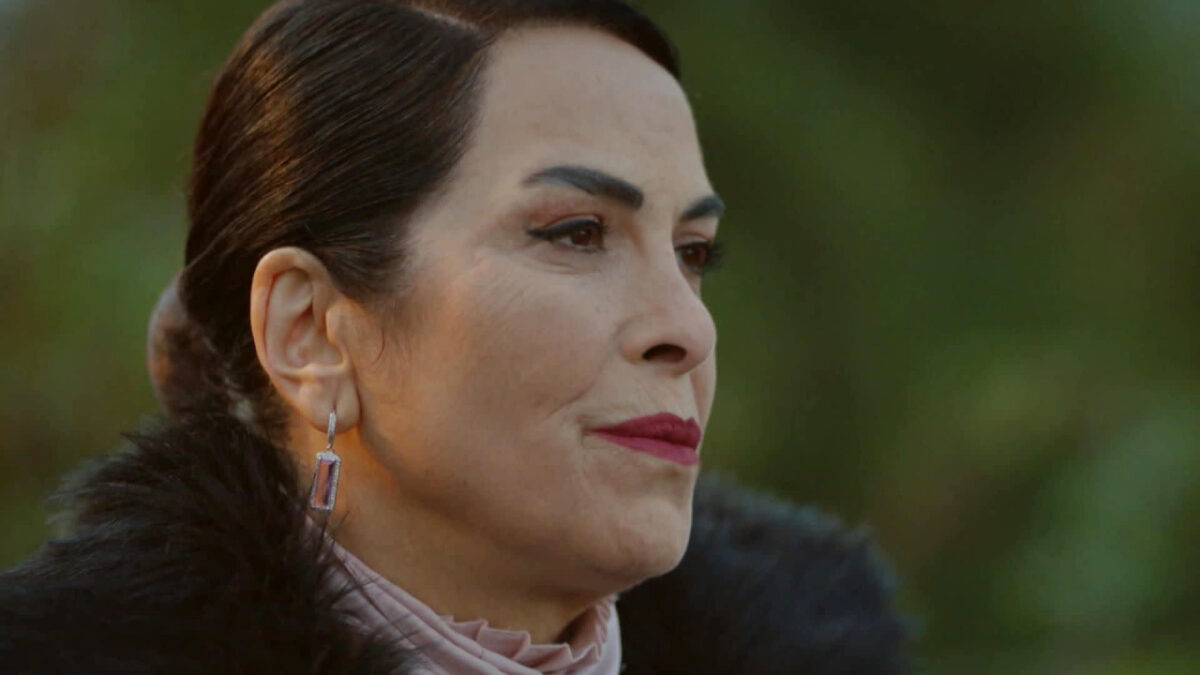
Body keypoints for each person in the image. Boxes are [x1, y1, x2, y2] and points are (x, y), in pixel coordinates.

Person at [0, 1, 908, 672]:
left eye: (693, 252)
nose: (688, 327)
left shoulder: (817, 647)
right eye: (576, 233)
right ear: (310, 332)